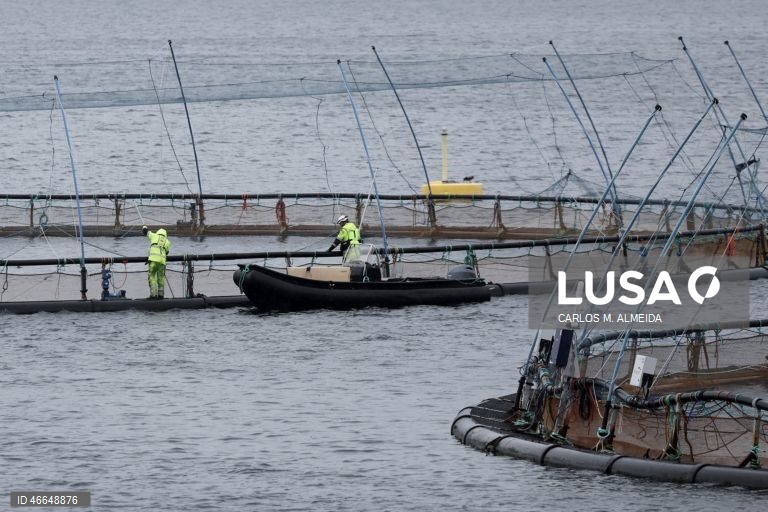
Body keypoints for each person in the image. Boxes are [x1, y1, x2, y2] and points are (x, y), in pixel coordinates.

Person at [142, 225, 171, 299]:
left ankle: (153, 295)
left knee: (151, 276)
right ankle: (161, 295)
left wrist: (144, 227)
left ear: (158, 233)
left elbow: (146, 232)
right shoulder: (167, 242)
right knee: (161, 278)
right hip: (162, 263)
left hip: (153, 260)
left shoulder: (154, 236)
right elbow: (167, 252)